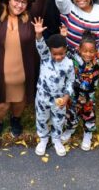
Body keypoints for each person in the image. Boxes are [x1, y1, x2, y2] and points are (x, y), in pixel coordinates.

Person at [0, 0, 49, 142]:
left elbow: (41, 4)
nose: (19, 5)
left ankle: (15, 120)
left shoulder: (30, 19)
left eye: (24, 2)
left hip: (21, 73)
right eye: (16, 0)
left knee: (19, 101)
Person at [59, 27, 99, 151]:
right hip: (73, 93)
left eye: (91, 51)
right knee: (71, 112)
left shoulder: (96, 60)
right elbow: (65, 50)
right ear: (80, 49)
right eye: (85, 51)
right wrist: (63, 37)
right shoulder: (74, 56)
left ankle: (88, 133)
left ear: (95, 51)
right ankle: (70, 128)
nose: (88, 54)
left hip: (88, 95)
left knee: (88, 114)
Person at [32, 20, 74, 157]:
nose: (58, 57)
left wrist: (66, 98)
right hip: (42, 97)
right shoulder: (45, 57)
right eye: (54, 54)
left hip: (59, 99)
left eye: (61, 54)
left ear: (65, 50)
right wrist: (38, 34)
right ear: (49, 51)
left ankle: (56, 139)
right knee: (42, 118)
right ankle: (43, 139)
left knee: (58, 119)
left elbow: (70, 82)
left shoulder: (68, 64)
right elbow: (40, 45)